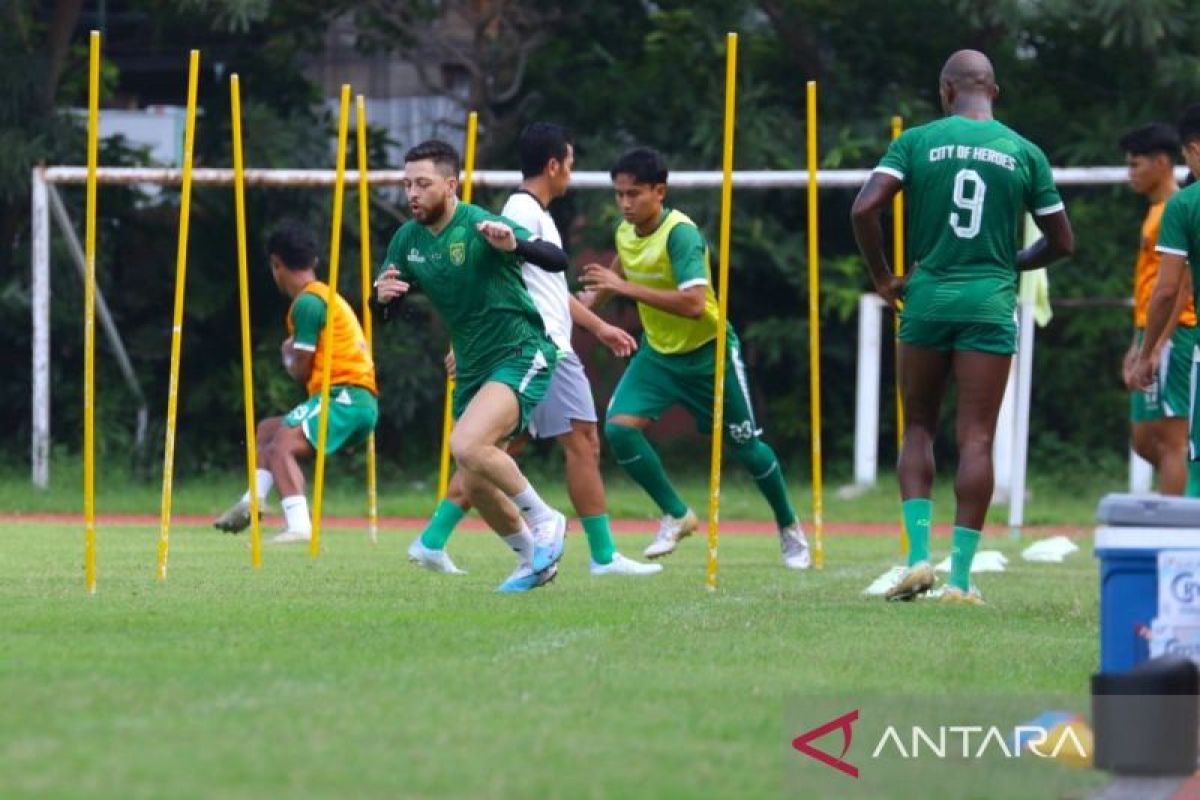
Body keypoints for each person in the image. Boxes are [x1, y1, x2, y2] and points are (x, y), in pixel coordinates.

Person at [850, 49, 1074, 604]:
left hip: (926, 300)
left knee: (918, 427)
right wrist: (1012, 263)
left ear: (946, 91)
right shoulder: (1025, 152)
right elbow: (1064, 242)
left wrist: (883, 277)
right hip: (989, 305)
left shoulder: (918, 142)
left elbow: (863, 209)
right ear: (993, 92)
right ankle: (961, 580)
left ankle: (917, 558)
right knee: (976, 437)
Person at [407, 123, 661, 577]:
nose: (571, 173)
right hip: (538, 348)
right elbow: (489, 280)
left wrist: (598, 326)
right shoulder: (522, 212)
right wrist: (462, 344)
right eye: (570, 164)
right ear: (553, 165)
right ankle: (600, 555)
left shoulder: (532, 212)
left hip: (532, 344)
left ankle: (434, 539)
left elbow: (541, 282)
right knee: (579, 441)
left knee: (486, 449)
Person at [580, 146, 811, 570]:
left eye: (634, 194)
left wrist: (622, 287)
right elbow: (615, 279)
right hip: (659, 356)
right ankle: (677, 514)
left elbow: (692, 303)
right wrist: (580, 304)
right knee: (619, 430)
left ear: (659, 192)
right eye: (619, 195)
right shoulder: (624, 232)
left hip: (710, 355)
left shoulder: (681, 234)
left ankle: (789, 526)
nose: (625, 204)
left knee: (747, 447)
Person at [374, 139, 569, 593]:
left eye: (423, 184)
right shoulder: (408, 240)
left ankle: (546, 520)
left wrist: (514, 243)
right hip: (474, 368)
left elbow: (558, 262)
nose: (412, 194)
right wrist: (379, 299)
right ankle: (530, 560)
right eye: (406, 185)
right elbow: (387, 310)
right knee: (474, 478)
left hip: (520, 352)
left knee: (465, 443)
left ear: (451, 183)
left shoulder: (479, 222)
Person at [213, 220, 380, 544]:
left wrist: (287, 354)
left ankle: (299, 526)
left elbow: (300, 371)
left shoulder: (306, 303)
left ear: (276, 264)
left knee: (280, 447)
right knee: (268, 430)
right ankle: (251, 503)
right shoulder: (323, 296)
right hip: (351, 397)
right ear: (313, 261)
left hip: (345, 395)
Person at [1118, 123, 1196, 496]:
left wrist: (1157, 345)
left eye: (1136, 164)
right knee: (1145, 441)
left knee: (1170, 442)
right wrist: (1138, 342)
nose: (1130, 173)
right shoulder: (1156, 212)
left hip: (1176, 332)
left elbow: (1180, 287)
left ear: (1163, 162)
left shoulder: (1176, 210)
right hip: (1153, 329)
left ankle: (1176, 535)